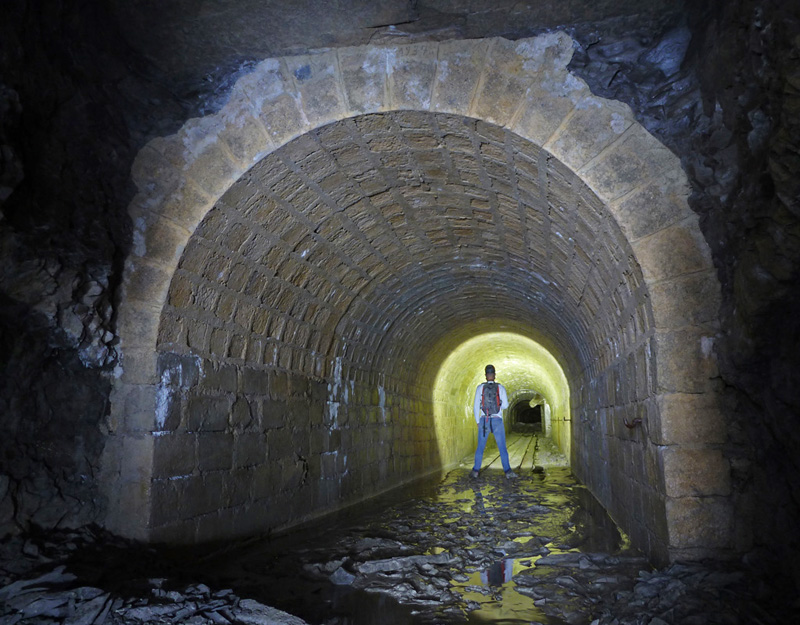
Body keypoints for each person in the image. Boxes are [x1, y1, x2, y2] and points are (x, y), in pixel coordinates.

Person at [471, 364, 517, 479]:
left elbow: (476, 406)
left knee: (480, 447)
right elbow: (505, 405)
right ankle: (508, 471)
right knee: (502, 447)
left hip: (484, 420)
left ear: (486, 375)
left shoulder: (480, 388)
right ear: (494, 375)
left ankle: (475, 471)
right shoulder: (500, 388)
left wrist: (478, 421)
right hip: (497, 420)